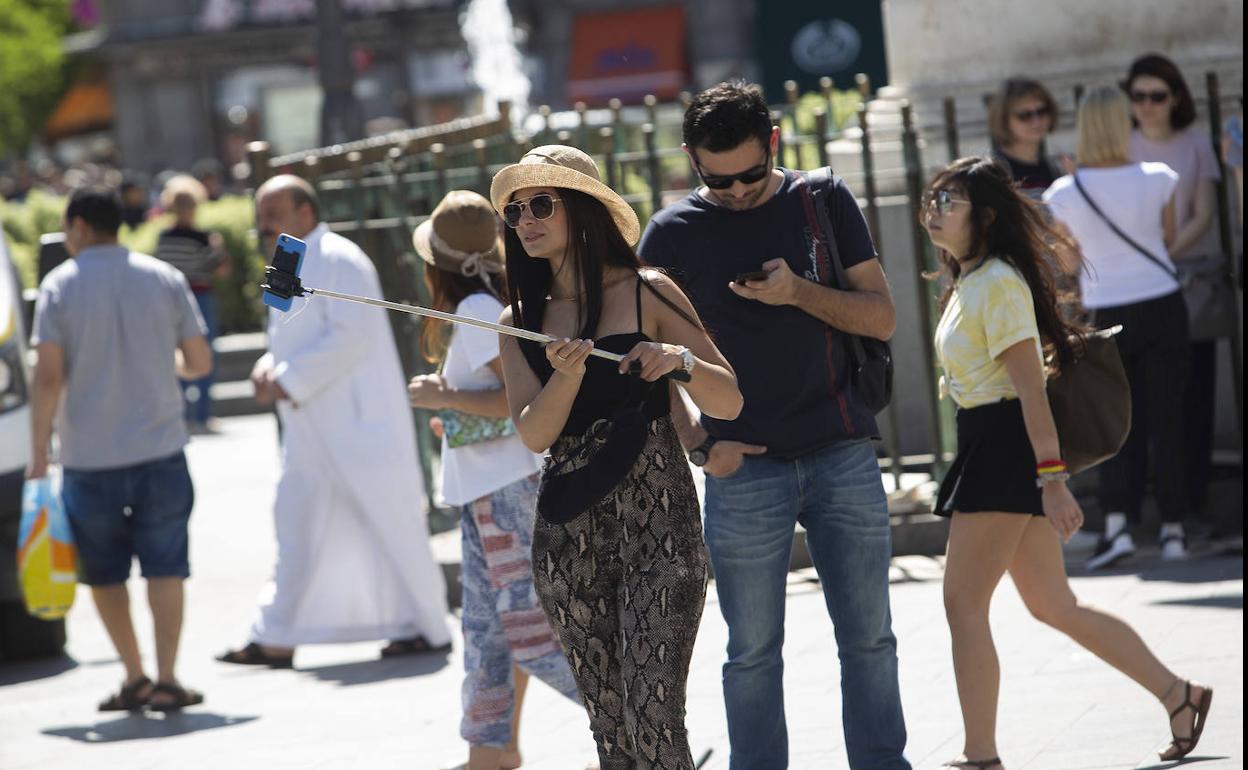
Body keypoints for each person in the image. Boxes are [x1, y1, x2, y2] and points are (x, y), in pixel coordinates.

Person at [637, 81, 910, 770]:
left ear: (775, 145)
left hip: (842, 449)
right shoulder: (670, 235)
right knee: (751, 652)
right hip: (743, 466)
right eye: (715, 178)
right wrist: (700, 443)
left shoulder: (823, 200)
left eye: (750, 174)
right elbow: (643, 363)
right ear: (692, 161)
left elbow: (882, 317)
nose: (733, 190)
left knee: (869, 638)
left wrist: (798, 293)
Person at [923, 155, 1213, 769]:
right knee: (1054, 605)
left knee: (963, 604)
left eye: (949, 202)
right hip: (992, 442)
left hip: (1002, 446)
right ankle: (1179, 695)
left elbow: (1030, 388)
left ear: (988, 217)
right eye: (931, 200)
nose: (933, 211)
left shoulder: (997, 282)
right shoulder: (971, 279)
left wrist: (1053, 482)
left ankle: (980, 756)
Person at [492, 145, 743, 770]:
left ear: (581, 210)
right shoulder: (517, 321)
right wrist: (567, 376)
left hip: (661, 524)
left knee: (653, 719)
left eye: (542, 204)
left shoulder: (647, 291)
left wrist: (679, 364)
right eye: (516, 210)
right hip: (570, 535)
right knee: (614, 736)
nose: (526, 219)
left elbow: (731, 399)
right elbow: (533, 433)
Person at [217, 175, 451, 667]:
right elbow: (279, 336)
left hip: (357, 423)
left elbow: (350, 336)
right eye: (260, 222)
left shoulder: (340, 257)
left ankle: (426, 627)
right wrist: (268, 370)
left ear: (305, 212)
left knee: (392, 524)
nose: (264, 229)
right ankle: (275, 634)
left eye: (272, 218)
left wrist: (287, 379)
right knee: (294, 520)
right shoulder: (288, 258)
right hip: (312, 427)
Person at [405, 190, 583, 770]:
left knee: (531, 631)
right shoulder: (485, 308)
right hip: (489, 490)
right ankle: (491, 752)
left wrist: (443, 395)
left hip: (507, 492)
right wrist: (454, 411)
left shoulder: (477, 312)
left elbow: (513, 402)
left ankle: (633, 729)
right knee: (488, 634)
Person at [28, 185, 213, 711]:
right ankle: (170, 678)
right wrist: (168, 369)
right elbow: (199, 363)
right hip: (161, 447)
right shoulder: (164, 278)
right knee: (166, 567)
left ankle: (133, 677)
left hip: (89, 457)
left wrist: (40, 453)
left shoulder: (59, 286)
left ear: (81, 227)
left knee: (105, 573)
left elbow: (47, 378)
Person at [1043, 86, 1191, 568]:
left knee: (1111, 420)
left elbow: (1068, 261)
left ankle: (1118, 525)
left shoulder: (1066, 192)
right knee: (1170, 417)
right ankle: (1174, 529)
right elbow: (1166, 238)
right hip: (1163, 300)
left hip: (1107, 310)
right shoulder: (1158, 177)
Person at [1124, 53, 1224, 538]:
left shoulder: (1196, 144)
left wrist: (1163, 251)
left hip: (1187, 283)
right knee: (1143, 405)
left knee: (1195, 399)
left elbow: (1204, 214)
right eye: (1138, 96)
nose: (1147, 105)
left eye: (1157, 95)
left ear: (1176, 98)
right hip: (1138, 287)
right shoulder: (1122, 145)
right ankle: (1153, 510)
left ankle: (1194, 504)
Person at [154, 174, 228, 431]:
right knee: (205, 352)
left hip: (172, 301)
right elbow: (219, 269)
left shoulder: (164, 238)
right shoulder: (202, 238)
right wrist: (217, 249)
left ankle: (186, 414)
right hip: (200, 297)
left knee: (180, 352)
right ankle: (202, 414)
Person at [988, 78, 1068, 197]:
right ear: (1004, 120)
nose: (1036, 121)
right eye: (1024, 115)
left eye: (1041, 111)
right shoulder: (993, 173)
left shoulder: (1056, 169)